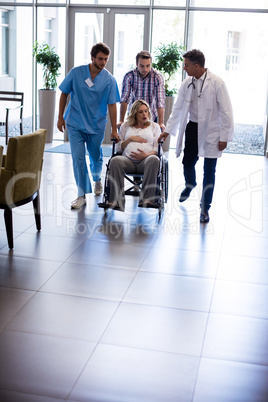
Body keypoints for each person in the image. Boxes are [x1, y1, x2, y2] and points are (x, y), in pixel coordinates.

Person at [159, 49, 234, 223]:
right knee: (187, 162)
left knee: (209, 171)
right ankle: (190, 184)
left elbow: (226, 112)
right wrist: (168, 130)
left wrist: (224, 137)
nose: (184, 68)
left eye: (186, 65)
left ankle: (205, 208)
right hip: (193, 127)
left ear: (196, 65)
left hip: (212, 130)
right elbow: (177, 109)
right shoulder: (187, 83)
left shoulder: (217, 83)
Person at [57, 42, 120, 209]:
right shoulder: (76, 73)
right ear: (92, 57)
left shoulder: (109, 79)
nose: (103, 62)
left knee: (95, 156)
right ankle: (81, 194)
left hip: (96, 124)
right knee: (78, 158)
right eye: (100, 58)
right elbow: (64, 93)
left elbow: (112, 105)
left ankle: (97, 178)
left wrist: (114, 129)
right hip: (75, 122)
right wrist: (60, 118)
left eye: (106, 59)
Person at [107, 100, 161, 211]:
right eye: (141, 112)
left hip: (145, 161)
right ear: (135, 114)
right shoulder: (126, 126)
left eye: (146, 111)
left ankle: (147, 199)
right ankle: (116, 201)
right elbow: (118, 148)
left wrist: (145, 155)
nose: (144, 114)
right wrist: (130, 139)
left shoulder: (154, 126)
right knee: (115, 160)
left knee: (154, 159)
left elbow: (157, 149)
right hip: (128, 161)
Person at [118, 50, 165, 131]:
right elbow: (124, 99)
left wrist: (160, 123)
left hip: (151, 115)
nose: (145, 69)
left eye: (148, 66)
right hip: (133, 115)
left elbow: (160, 101)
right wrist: (121, 120)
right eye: (142, 66)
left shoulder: (157, 77)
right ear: (136, 64)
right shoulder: (129, 76)